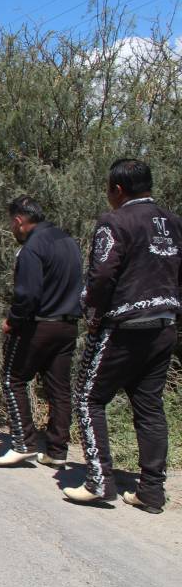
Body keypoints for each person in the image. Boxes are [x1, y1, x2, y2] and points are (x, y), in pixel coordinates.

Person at [65, 159, 181, 513]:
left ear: (117, 189)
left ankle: (99, 481)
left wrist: (91, 311)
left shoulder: (115, 222)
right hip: (164, 326)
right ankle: (151, 492)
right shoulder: (174, 222)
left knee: (88, 398)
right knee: (149, 406)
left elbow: (102, 276)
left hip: (124, 326)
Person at [0, 195, 83, 468]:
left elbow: (27, 294)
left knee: (12, 379)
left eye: (11, 222)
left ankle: (23, 443)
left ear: (19, 220)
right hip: (68, 326)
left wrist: (13, 321)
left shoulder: (32, 247)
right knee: (59, 388)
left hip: (39, 325)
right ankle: (57, 450)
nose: (11, 228)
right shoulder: (67, 241)